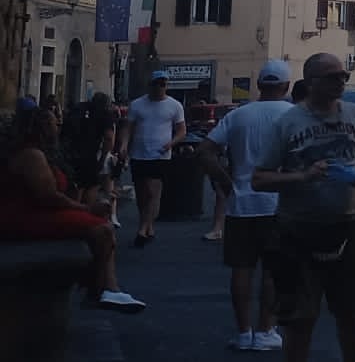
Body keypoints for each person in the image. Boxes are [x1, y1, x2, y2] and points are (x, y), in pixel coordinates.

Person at [252, 53, 355, 362]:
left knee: (352, 312)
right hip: (299, 230)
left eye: (343, 77)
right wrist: (303, 176)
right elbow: (258, 179)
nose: (341, 82)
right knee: (300, 319)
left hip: (349, 226)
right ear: (311, 82)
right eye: (333, 77)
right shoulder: (288, 122)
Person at [0, 101, 146, 312]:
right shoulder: (32, 156)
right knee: (102, 230)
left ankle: (106, 288)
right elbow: (48, 197)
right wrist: (85, 209)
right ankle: (104, 289)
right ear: (41, 128)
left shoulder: (37, 154)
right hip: (23, 216)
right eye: (52, 123)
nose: (58, 125)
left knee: (102, 224)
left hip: (32, 211)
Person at [199, 62, 294, 352]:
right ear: (287, 87)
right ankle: (266, 329)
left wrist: (225, 181)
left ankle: (243, 331)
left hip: (242, 202)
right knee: (272, 271)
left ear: (259, 85)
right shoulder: (293, 116)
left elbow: (205, 151)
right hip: (279, 203)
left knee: (241, 270)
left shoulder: (238, 115)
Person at [117, 71, 185, 248]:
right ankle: (148, 224)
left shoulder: (175, 106)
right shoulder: (137, 105)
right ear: (151, 85)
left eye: (163, 84)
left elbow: (181, 130)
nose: (160, 88)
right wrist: (124, 145)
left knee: (152, 193)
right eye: (157, 84)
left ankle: (143, 227)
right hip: (139, 153)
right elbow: (128, 128)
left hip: (160, 155)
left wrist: (171, 143)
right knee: (141, 193)